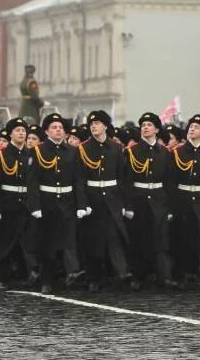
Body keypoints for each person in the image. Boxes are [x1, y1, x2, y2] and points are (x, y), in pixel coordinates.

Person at [27, 113, 86, 294]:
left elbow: (78, 180)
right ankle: (46, 280)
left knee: (69, 241)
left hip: (67, 201)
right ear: (46, 131)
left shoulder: (73, 151)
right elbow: (32, 182)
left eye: (60, 127)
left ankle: (73, 272)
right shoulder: (37, 151)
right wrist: (35, 206)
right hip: (47, 201)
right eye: (54, 127)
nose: (58, 130)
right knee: (48, 245)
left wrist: (82, 204)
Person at [75, 110, 129, 292]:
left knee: (114, 237)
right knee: (94, 240)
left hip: (112, 199)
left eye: (97, 123)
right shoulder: (83, 148)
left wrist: (123, 203)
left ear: (105, 126)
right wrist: (82, 204)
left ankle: (121, 274)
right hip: (93, 199)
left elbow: (121, 178)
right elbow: (80, 180)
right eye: (91, 124)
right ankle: (93, 278)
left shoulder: (115, 147)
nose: (94, 126)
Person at [122, 112, 175, 290]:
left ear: (157, 129)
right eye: (143, 125)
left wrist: (170, 207)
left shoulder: (165, 153)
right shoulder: (132, 151)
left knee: (162, 240)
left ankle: (164, 275)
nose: (145, 127)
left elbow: (169, 181)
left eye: (149, 125)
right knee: (139, 240)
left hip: (159, 199)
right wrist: (128, 205)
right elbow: (127, 180)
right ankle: (138, 276)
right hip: (139, 199)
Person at [169, 114, 200, 288]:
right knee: (184, 240)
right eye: (190, 127)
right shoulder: (177, 151)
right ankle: (185, 274)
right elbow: (172, 181)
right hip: (183, 201)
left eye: (196, 127)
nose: (192, 129)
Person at [0, 118, 36, 289]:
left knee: (25, 241)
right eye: (17, 130)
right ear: (10, 134)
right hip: (8, 203)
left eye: (24, 131)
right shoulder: (0, 154)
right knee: (5, 242)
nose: (21, 133)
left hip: (26, 203)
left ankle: (24, 274)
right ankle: (0, 276)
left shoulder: (30, 153)